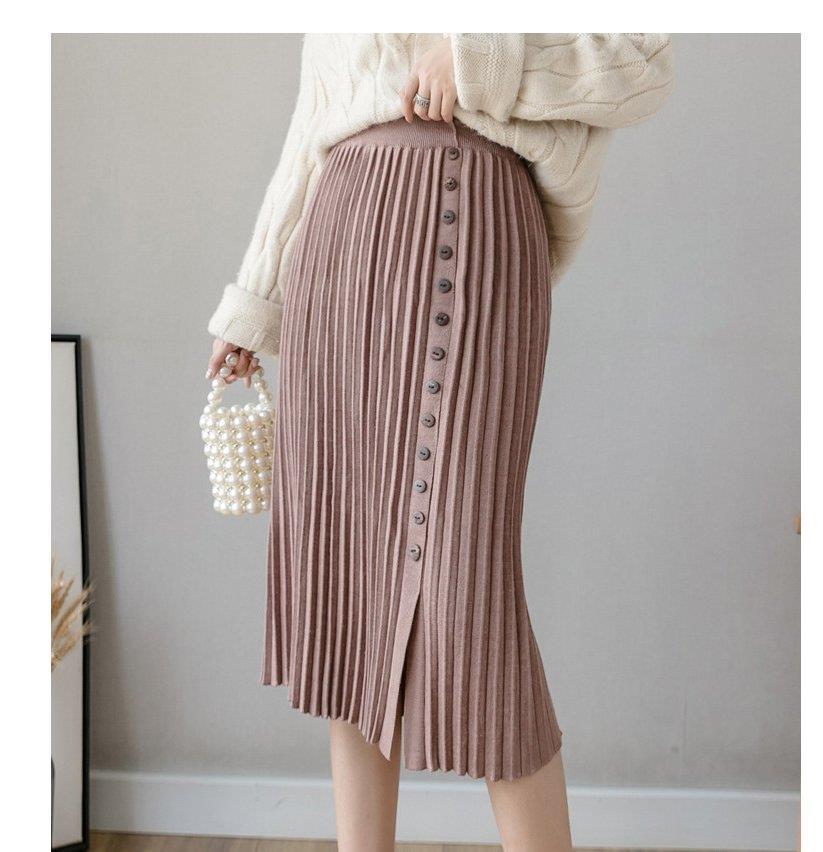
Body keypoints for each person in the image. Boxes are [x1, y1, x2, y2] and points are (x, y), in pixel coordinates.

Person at [205, 33, 673, 851]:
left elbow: (641, 63)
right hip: (339, 236)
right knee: (350, 590)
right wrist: (255, 295)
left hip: (471, 213)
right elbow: (315, 118)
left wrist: (479, 59)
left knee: (467, 593)